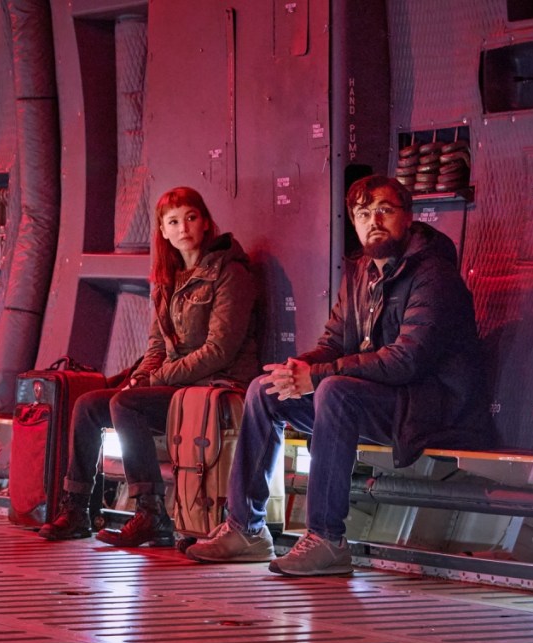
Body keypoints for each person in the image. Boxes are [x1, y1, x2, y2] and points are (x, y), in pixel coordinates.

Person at [186, 174, 493, 576]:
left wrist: (318, 376)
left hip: (430, 407)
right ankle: (246, 529)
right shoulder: (362, 272)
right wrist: (297, 371)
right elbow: (332, 343)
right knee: (265, 389)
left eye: (384, 210)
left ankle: (327, 539)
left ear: (408, 217)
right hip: (380, 401)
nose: (373, 221)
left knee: (334, 390)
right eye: (363, 214)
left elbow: (407, 360)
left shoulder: (433, 275)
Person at [39, 186, 260, 548]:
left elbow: (219, 351)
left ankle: (151, 513)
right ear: (163, 231)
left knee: (127, 404)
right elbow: (157, 347)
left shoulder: (230, 272)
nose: (183, 228)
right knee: (89, 405)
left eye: (191, 218)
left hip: (216, 386)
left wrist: (154, 380)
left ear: (205, 223)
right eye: (173, 222)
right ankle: (76, 509)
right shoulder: (167, 279)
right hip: (179, 387)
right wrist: (141, 377)